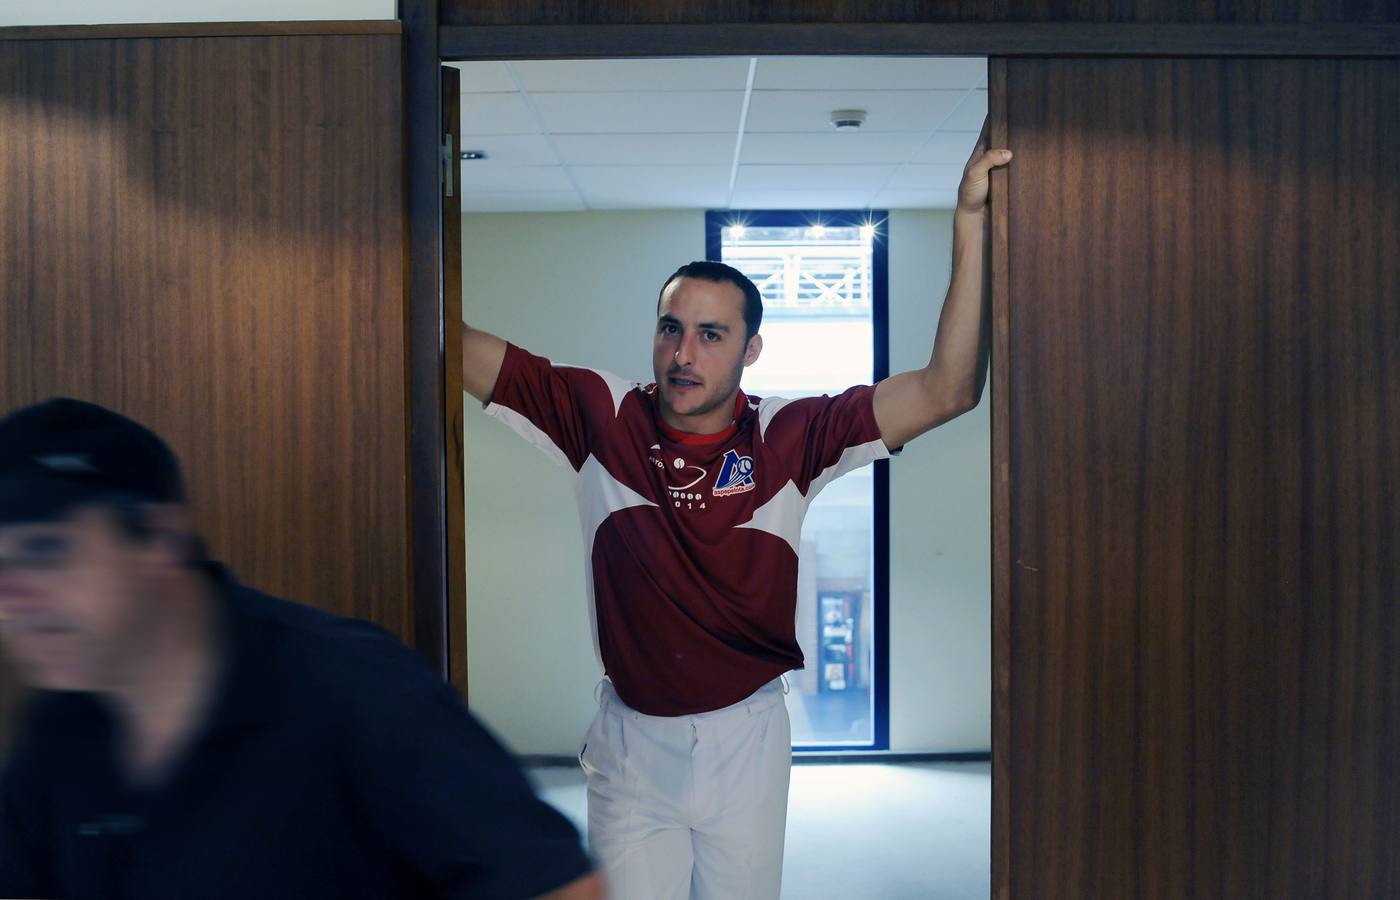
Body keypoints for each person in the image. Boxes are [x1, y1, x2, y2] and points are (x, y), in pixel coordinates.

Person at [460, 126, 1013, 899]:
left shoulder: (791, 434)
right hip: (630, 742)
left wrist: (970, 219)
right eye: (671, 329)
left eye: (711, 335)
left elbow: (949, 389)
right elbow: (449, 344)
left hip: (744, 742)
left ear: (751, 350)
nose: (684, 353)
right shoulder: (600, 412)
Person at [0, 397, 604, 900]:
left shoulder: (353, 691)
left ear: (157, 538)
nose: (13, 601)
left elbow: (556, 887)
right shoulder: (58, 736)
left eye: (47, 552)